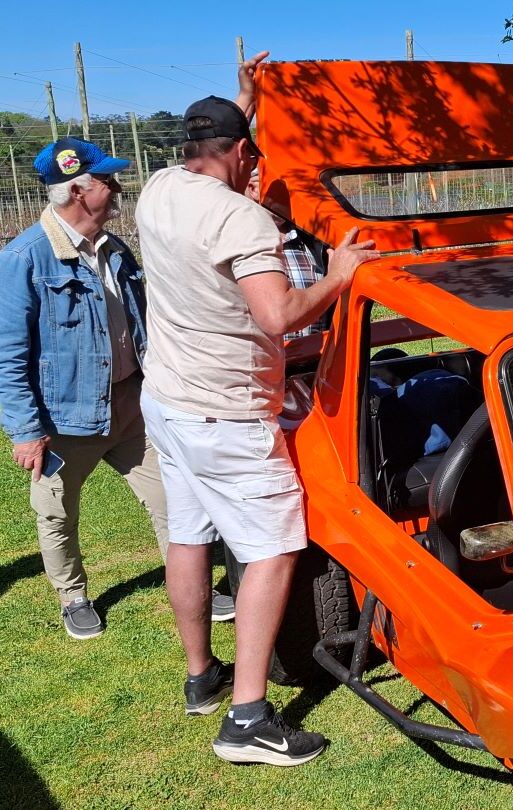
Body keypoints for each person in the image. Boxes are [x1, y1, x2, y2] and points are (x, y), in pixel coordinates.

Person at [136, 51, 379, 766]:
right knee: (273, 548)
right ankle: (247, 718)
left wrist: (245, 98)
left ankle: (199, 677)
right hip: (228, 414)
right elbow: (279, 317)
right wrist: (338, 277)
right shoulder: (242, 219)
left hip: (170, 401)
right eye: (254, 156)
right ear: (242, 152)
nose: (257, 170)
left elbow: (221, 149)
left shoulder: (159, 189)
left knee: (189, 535)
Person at [0, 138, 169, 640]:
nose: (118, 188)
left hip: (131, 405)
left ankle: (192, 580)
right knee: (55, 513)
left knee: (174, 500)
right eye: (107, 181)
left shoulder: (114, 249)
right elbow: (7, 355)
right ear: (77, 191)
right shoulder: (25, 257)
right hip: (63, 419)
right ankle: (72, 595)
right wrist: (26, 431)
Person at [245, 168, 329, 339]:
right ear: (254, 188)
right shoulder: (237, 242)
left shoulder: (315, 241)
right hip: (265, 362)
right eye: (289, 188)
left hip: (317, 359)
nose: (297, 198)